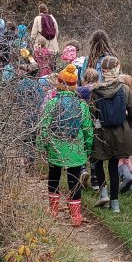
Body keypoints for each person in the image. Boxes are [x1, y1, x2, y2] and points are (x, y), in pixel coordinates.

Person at [39, 64, 93, 226]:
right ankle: (76, 216)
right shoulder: (82, 105)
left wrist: (42, 146)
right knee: (74, 181)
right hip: (75, 149)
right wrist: (88, 148)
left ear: (59, 83)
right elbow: (87, 130)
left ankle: (53, 210)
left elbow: (43, 127)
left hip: (55, 148)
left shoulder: (51, 103)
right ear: (75, 85)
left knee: (54, 178)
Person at [89, 56, 132, 213]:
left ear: (102, 70)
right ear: (117, 69)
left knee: (98, 162)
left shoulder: (95, 91)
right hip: (120, 132)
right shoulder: (124, 89)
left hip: (101, 132)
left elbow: (91, 114)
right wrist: (125, 120)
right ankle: (115, 204)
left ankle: (103, 193)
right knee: (114, 165)